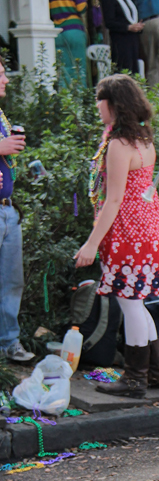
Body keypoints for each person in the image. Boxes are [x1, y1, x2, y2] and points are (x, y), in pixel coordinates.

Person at [75, 74, 159, 397]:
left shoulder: (117, 144)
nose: (97, 106)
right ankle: (155, 372)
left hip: (127, 233)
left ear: (113, 105)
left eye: (100, 100)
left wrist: (91, 243)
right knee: (138, 304)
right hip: (147, 229)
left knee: (130, 305)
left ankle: (134, 379)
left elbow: (113, 200)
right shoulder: (144, 139)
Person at [0, 57, 35, 363]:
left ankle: (9, 342)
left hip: (8, 210)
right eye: (1, 75)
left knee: (12, 281)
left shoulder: (0, 113)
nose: (6, 80)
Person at [49, 0, 88, 87]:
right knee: (79, 67)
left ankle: (66, 97)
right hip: (74, 29)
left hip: (57, 31)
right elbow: (82, 8)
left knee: (64, 68)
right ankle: (80, 97)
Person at [100, 0, 144, 74]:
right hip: (120, 40)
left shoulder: (130, 1)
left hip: (133, 39)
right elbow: (109, 23)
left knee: (134, 68)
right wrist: (128, 27)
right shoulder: (109, 1)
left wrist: (139, 26)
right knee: (124, 67)